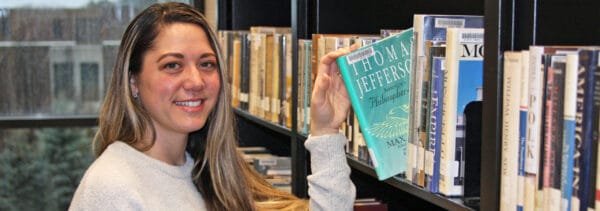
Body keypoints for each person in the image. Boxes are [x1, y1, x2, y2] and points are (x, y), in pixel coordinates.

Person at [69, 2, 357, 211]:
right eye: (172, 65)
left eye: (206, 64)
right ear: (133, 82)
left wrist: (326, 130)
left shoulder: (206, 172)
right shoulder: (112, 187)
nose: (195, 81)